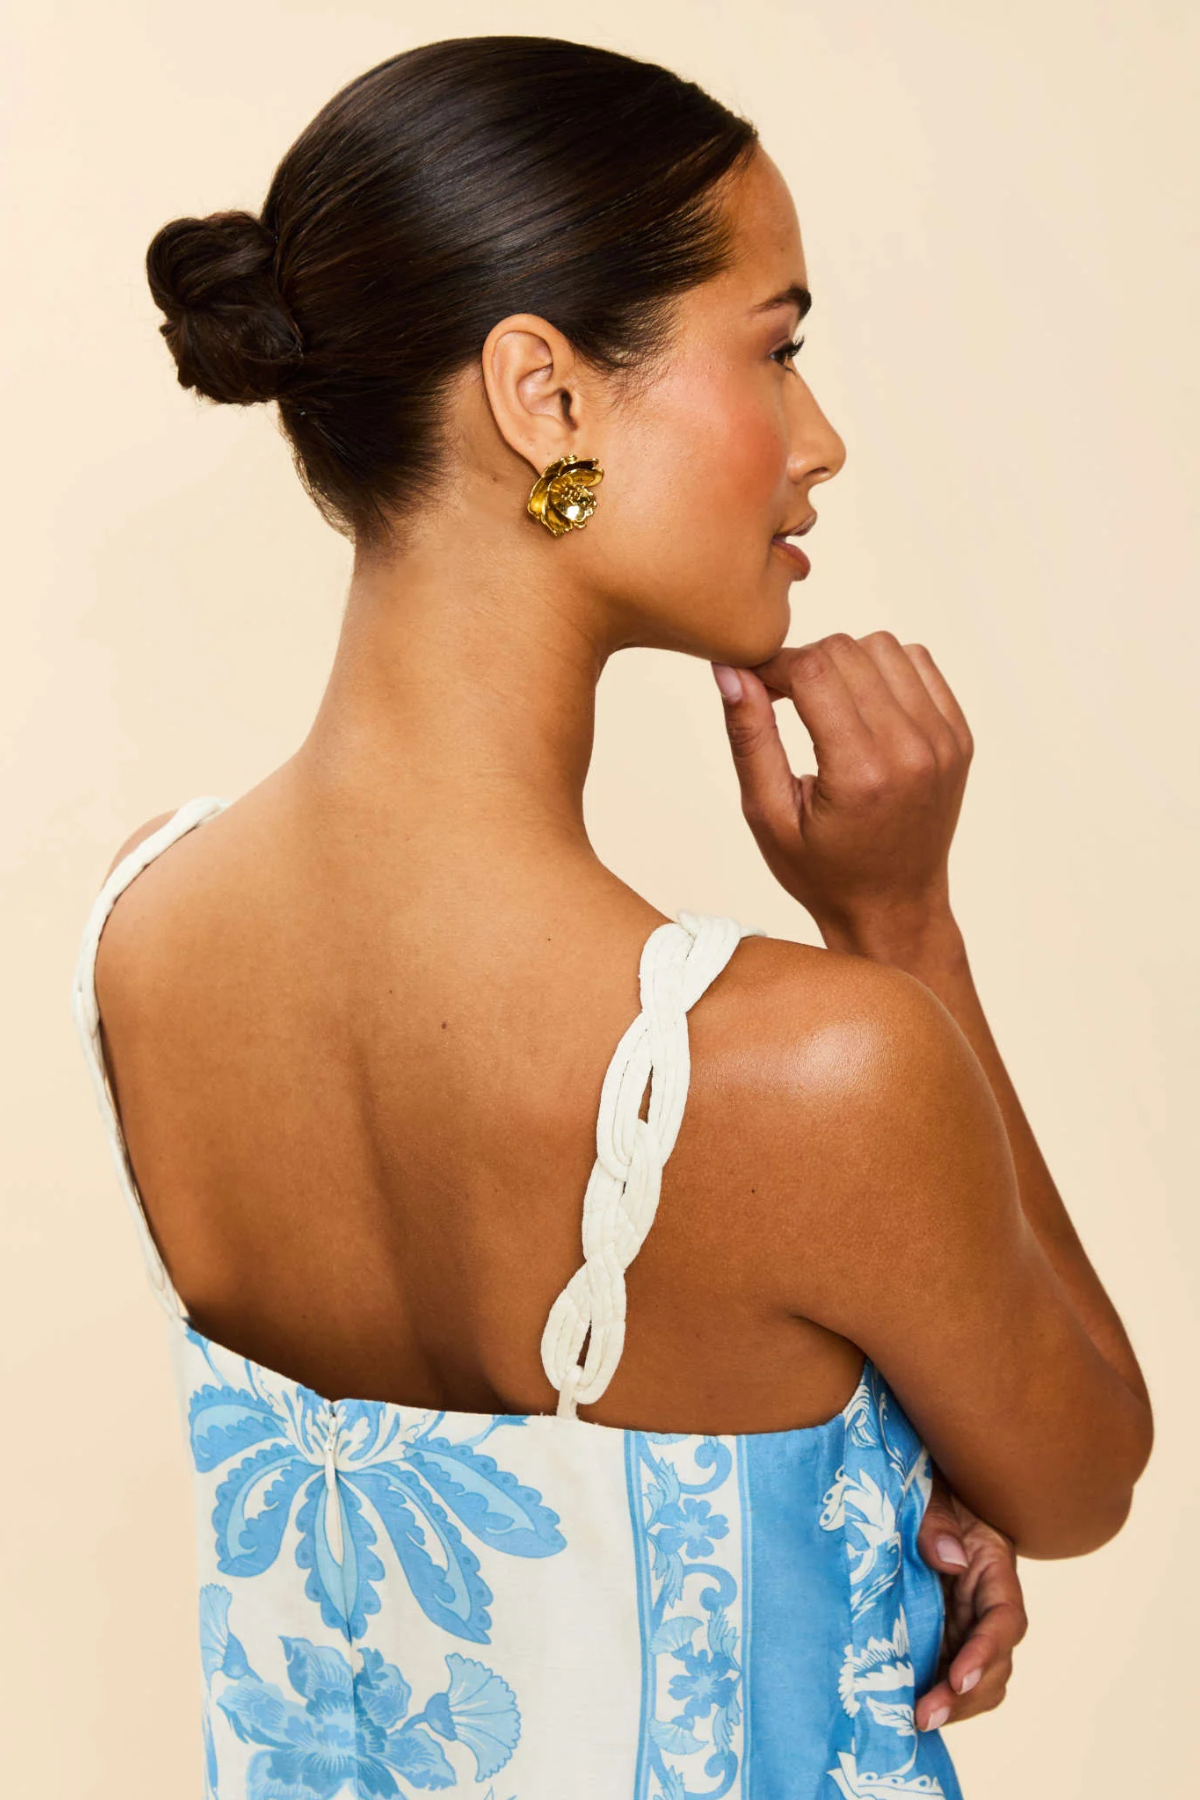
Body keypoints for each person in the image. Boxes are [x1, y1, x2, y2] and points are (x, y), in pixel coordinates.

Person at [71, 34, 1151, 1800]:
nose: (822, 439)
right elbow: (1081, 1470)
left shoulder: (140, 932)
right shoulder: (811, 1065)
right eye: (779, 347)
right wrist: (900, 923)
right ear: (546, 396)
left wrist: (854, 1506)